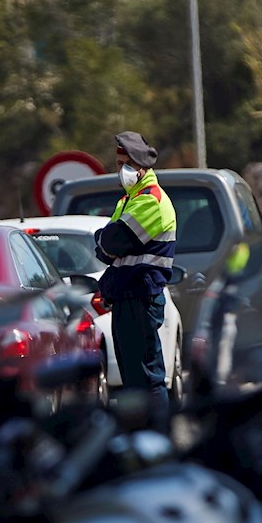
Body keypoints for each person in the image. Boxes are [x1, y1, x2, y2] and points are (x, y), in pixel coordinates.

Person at [94, 130, 178, 427]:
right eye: (119, 162)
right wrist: (105, 241)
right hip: (130, 299)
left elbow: (111, 243)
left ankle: (157, 434)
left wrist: (106, 241)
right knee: (135, 376)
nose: (122, 169)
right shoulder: (130, 200)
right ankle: (146, 432)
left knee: (146, 376)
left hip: (139, 298)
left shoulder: (149, 200)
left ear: (142, 166)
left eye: (127, 163)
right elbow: (105, 247)